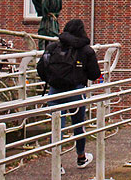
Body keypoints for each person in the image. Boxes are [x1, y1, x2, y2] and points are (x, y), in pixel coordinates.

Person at [37, 19, 101, 169]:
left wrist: (52, 80)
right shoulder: (85, 50)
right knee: (79, 125)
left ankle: (56, 165)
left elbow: (41, 67)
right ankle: (81, 157)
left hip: (54, 92)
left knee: (57, 128)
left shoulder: (53, 47)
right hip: (76, 91)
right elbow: (95, 74)